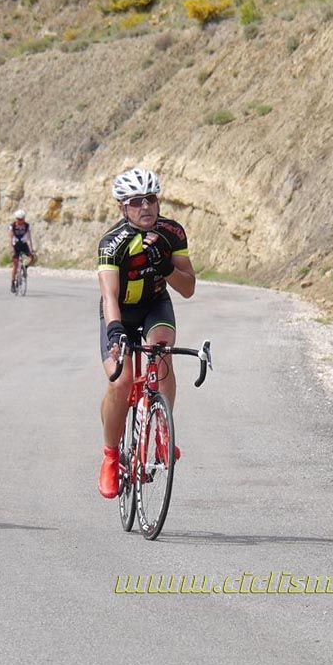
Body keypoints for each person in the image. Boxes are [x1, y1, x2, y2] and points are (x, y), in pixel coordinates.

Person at [96, 168, 196, 499]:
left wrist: (166, 267)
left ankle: (163, 431)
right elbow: (109, 295)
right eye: (136, 202)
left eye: (151, 199)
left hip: (155, 304)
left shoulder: (172, 233)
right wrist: (114, 333)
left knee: (162, 350)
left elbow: (188, 288)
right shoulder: (112, 242)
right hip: (120, 313)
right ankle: (111, 456)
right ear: (123, 208)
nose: (146, 207)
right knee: (120, 381)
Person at [9, 209, 37, 293]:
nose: (21, 221)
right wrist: (11, 249)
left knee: (33, 258)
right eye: (19, 219)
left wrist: (31, 249)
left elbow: (29, 238)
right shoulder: (12, 226)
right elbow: (10, 238)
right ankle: (13, 283)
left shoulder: (27, 226)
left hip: (24, 244)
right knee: (15, 264)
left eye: (22, 219)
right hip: (16, 245)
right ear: (16, 219)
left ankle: (25, 267)